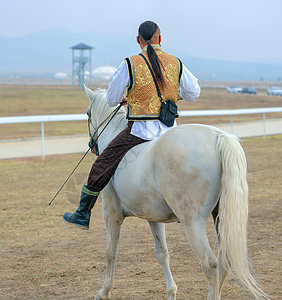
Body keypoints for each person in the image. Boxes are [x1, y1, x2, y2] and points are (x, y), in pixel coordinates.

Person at [63, 20, 201, 230]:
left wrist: (130, 98)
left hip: (140, 132)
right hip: (169, 131)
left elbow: (110, 100)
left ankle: (82, 213)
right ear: (160, 38)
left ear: (138, 40)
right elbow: (194, 93)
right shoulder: (176, 62)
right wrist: (171, 97)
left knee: (101, 164)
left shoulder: (130, 63)